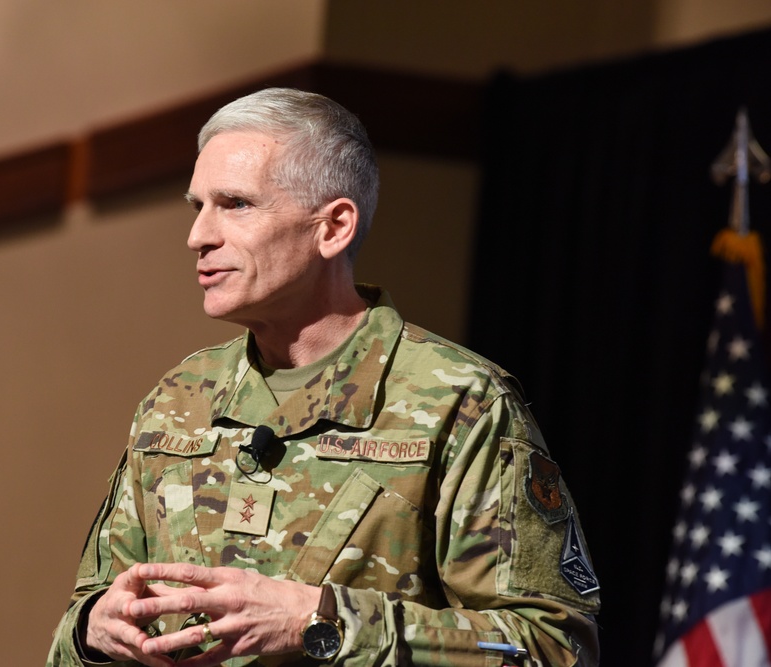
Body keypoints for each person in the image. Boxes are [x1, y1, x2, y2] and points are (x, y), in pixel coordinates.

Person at [46, 87, 600, 667]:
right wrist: (92, 634)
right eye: (197, 206)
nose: (199, 236)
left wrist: (320, 623)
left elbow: (552, 648)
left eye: (234, 204)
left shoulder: (460, 402)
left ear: (333, 227)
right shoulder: (177, 400)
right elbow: (79, 623)